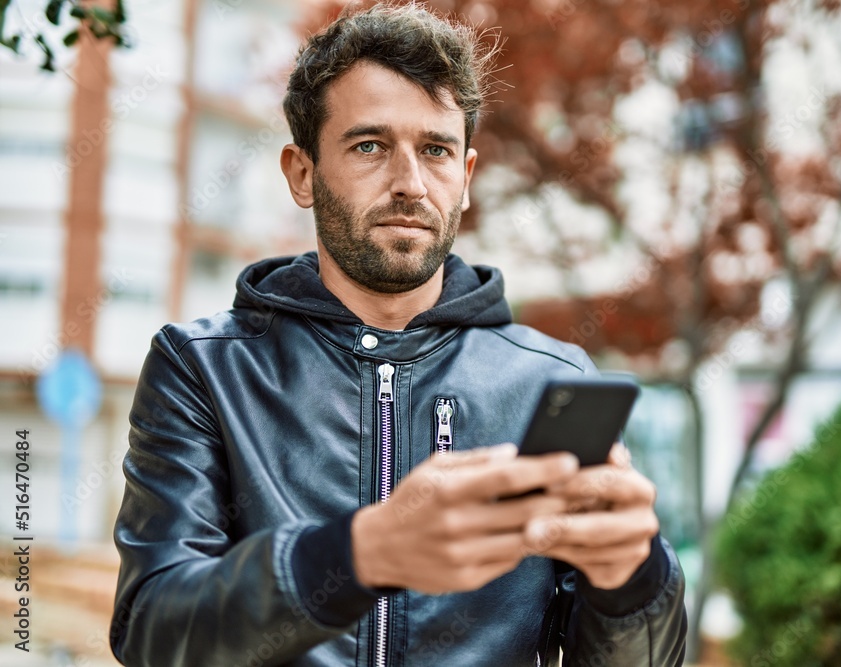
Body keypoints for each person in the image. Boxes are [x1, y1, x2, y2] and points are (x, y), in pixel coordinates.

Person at [110, 3, 687, 666]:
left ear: (465, 179)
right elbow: (153, 630)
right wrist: (359, 553)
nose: (411, 184)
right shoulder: (204, 369)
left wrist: (632, 579)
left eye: (436, 150)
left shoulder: (552, 380)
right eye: (370, 146)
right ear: (302, 173)